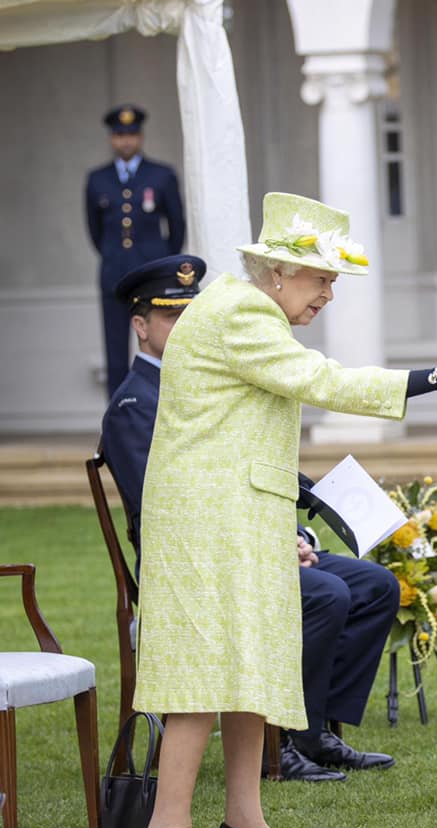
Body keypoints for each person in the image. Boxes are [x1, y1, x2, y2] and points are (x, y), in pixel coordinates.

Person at [132, 193, 437, 828]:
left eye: (333, 282)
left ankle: (244, 821)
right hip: (209, 521)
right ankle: (167, 827)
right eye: (321, 279)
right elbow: (323, 381)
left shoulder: (241, 309)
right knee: (204, 670)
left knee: (251, 664)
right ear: (279, 272)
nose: (328, 296)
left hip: (232, 514)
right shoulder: (243, 313)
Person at [100, 253, 398, 786]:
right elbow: (166, 502)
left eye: (190, 312)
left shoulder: (218, 366)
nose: (187, 324)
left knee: (374, 585)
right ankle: (283, 742)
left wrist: (296, 534)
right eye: (171, 316)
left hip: (253, 534)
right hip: (198, 558)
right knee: (327, 595)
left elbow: (244, 463)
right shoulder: (135, 404)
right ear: (140, 326)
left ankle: (315, 730)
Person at [85, 104, 186, 396]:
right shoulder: (97, 179)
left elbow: (177, 227)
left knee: (161, 342)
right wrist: (115, 256)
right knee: (115, 350)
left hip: (153, 277)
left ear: (140, 137)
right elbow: (95, 231)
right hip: (114, 275)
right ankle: (119, 413)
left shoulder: (162, 175)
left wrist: (162, 262)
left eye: (131, 135)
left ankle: (163, 406)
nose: (126, 141)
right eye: (120, 135)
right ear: (111, 138)